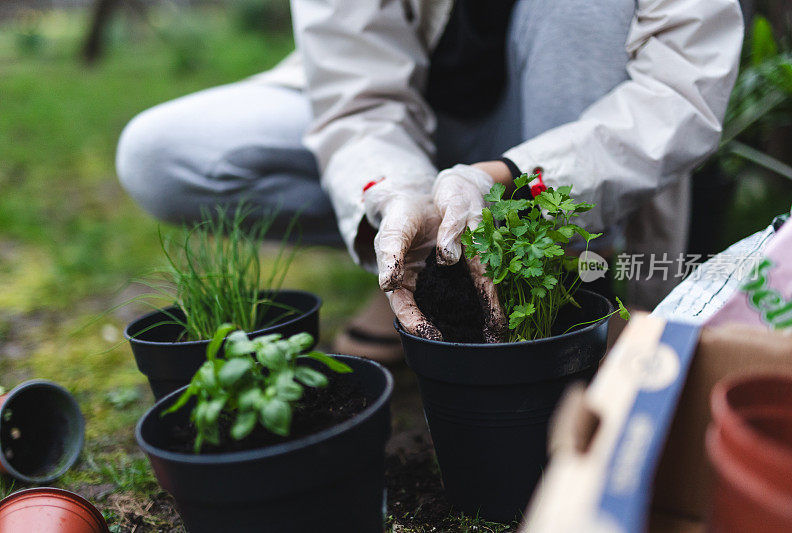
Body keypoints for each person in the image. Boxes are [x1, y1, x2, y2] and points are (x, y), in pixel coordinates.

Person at [116, 0, 744, 360]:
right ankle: (424, 260)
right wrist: (398, 200)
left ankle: (572, 276)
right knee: (161, 154)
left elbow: (678, 88)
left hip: (564, 144)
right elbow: (360, 96)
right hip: (420, 114)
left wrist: (505, 181)